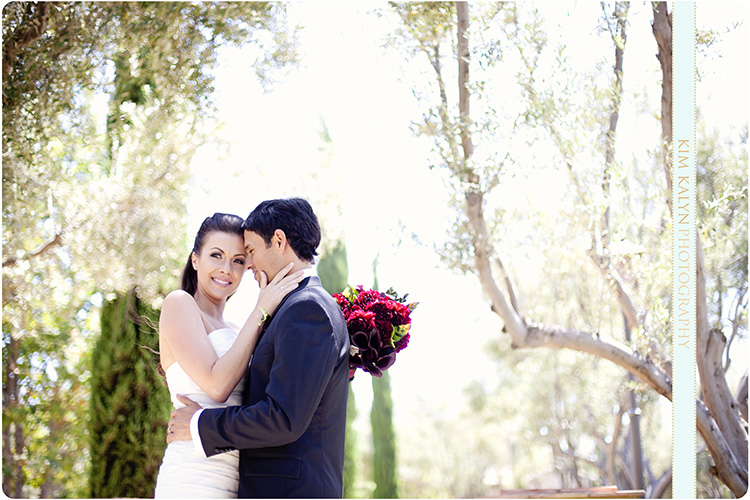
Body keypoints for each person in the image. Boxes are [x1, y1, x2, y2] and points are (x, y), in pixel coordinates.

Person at [166, 198, 350, 498]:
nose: (247, 264)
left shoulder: (306, 308)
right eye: (217, 255)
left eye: (247, 253)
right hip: (210, 476)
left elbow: (282, 417)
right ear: (195, 259)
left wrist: (201, 424)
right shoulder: (290, 309)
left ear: (279, 240)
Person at [154, 212, 305, 498]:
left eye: (238, 260)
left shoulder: (239, 330)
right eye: (216, 255)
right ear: (195, 259)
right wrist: (262, 309)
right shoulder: (180, 304)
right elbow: (217, 386)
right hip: (192, 476)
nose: (226, 269)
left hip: (238, 477)